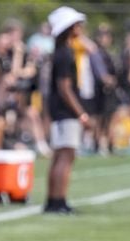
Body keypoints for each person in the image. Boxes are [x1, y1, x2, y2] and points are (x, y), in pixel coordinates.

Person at [44, 7, 90, 214]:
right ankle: (58, 200)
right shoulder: (65, 53)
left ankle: (54, 200)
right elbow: (64, 87)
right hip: (65, 111)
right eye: (77, 24)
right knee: (66, 155)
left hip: (59, 110)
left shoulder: (62, 50)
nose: (80, 27)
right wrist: (80, 112)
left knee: (60, 155)